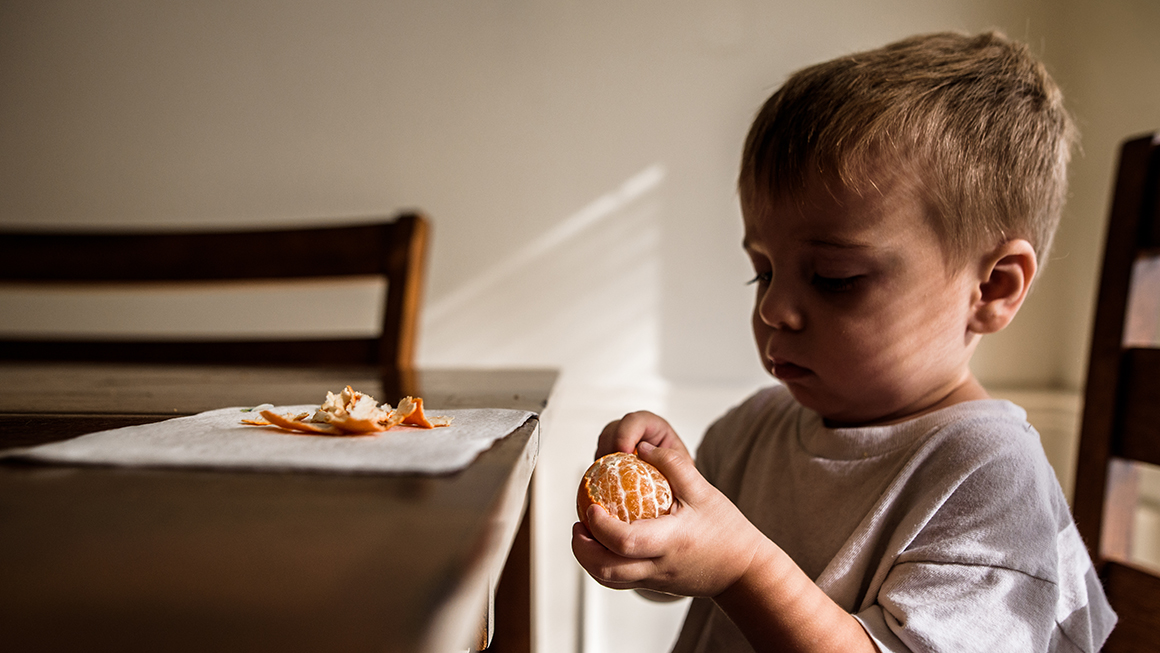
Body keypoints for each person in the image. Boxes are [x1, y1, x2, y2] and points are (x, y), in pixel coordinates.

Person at [571, 31, 1116, 652]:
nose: (772, 308)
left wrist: (742, 568)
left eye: (835, 279)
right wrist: (654, 531)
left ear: (990, 289)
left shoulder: (993, 482)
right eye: (763, 270)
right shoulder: (753, 431)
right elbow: (681, 572)